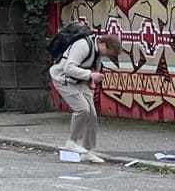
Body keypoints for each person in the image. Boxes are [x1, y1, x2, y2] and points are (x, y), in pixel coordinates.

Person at [49, 32, 122, 163]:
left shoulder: (97, 53)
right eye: (108, 52)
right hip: (62, 79)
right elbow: (68, 68)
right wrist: (90, 75)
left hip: (79, 82)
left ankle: (88, 151)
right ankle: (72, 142)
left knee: (92, 115)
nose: (107, 56)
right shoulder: (83, 45)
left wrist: (91, 78)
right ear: (103, 44)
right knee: (82, 109)